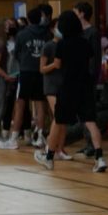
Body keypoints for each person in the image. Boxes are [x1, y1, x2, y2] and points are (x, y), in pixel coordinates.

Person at [34, 11, 108, 173]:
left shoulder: (61, 44)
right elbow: (88, 61)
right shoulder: (85, 43)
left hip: (68, 86)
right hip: (86, 85)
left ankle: (49, 158)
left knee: (59, 121)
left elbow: (58, 65)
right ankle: (100, 157)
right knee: (90, 122)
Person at [0, 8, 49, 150]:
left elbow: (16, 53)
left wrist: (26, 61)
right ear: (41, 18)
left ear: (29, 19)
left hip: (25, 72)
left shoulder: (22, 34)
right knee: (39, 105)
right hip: (41, 72)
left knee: (20, 104)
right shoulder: (47, 33)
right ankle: (40, 138)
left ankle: (13, 139)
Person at [39, 20, 71, 161]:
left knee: (63, 119)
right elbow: (42, 68)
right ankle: (50, 147)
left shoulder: (66, 45)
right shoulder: (48, 46)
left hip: (64, 85)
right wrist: (54, 65)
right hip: (51, 86)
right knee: (59, 116)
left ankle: (60, 149)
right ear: (52, 30)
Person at [74, 2, 102, 83]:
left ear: (81, 14)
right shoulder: (76, 31)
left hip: (88, 74)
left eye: (75, 12)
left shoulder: (93, 32)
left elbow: (95, 55)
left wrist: (92, 73)